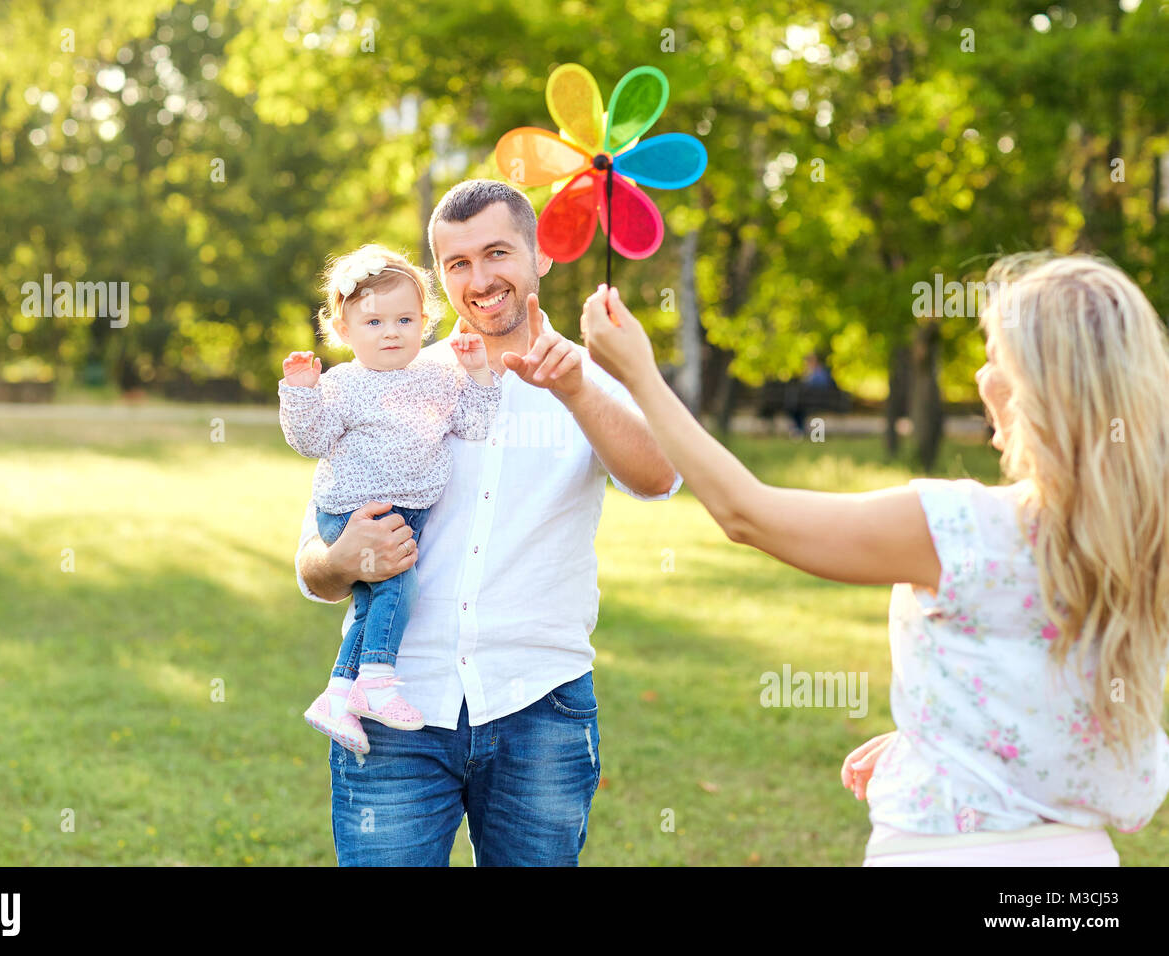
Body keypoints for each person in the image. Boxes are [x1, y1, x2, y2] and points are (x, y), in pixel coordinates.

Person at [580, 253, 1169, 866]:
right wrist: (944, 736)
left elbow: (746, 513)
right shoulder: (1146, 542)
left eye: (996, 357)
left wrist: (641, 376)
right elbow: (1059, 694)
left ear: (1037, 387)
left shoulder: (961, 529)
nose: (981, 376)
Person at [293, 180, 681, 866]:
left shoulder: (589, 378)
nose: (480, 279)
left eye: (497, 253)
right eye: (457, 264)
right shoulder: (389, 375)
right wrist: (343, 559)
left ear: (541, 258)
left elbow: (657, 478)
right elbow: (313, 568)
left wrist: (577, 390)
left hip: (540, 710)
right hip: (393, 708)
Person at [279, 244, 501, 754]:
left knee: (375, 600)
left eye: (404, 319)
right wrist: (301, 392)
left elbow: (475, 423)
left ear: (424, 322)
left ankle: (338, 695)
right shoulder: (342, 384)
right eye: (374, 322)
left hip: (409, 509)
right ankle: (376, 681)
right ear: (343, 331)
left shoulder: (438, 376)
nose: (391, 332)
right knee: (399, 590)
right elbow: (310, 441)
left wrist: (478, 376)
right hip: (355, 513)